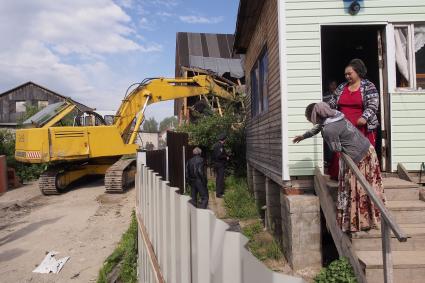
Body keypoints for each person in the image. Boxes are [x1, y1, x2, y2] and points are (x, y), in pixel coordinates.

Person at [293, 102, 385, 233]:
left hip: (359, 158)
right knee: (365, 187)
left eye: (310, 118)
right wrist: (304, 136)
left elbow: (335, 148)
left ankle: (361, 222)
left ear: (316, 116)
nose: (310, 121)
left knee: (357, 189)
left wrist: (326, 135)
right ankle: (370, 218)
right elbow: (319, 127)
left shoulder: (329, 129)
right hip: (367, 149)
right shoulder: (336, 116)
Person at [327, 58, 380, 179]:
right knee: (343, 153)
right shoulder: (342, 87)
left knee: (362, 154)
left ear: (358, 72)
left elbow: (373, 103)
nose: (347, 76)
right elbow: (332, 103)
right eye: (345, 74)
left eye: (349, 73)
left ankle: (364, 179)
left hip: (361, 127)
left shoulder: (368, 86)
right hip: (344, 127)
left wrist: (364, 117)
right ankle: (343, 178)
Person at [213, 133, 229, 198]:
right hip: (220, 164)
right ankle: (219, 194)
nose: (225, 141)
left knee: (218, 178)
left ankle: (218, 191)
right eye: (225, 139)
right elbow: (219, 155)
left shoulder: (215, 145)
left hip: (216, 164)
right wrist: (226, 157)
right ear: (224, 139)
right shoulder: (220, 146)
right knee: (220, 179)